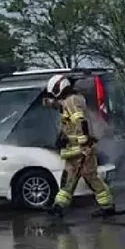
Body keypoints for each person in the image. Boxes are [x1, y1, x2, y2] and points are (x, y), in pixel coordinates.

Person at [44, 74, 115, 217]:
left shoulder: (72, 100)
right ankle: (59, 206)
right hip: (74, 148)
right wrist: (62, 137)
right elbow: (68, 123)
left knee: (90, 177)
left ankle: (107, 206)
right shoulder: (69, 100)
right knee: (69, 177)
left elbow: (80, 121)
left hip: (82, 149)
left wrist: (84, 142)